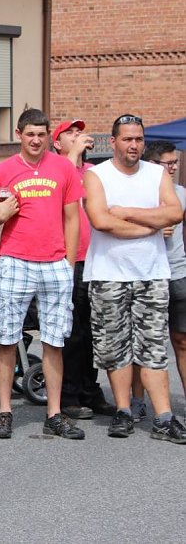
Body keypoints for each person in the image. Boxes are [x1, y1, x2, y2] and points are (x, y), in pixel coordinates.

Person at [0, 108, 84, 440]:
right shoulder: (3, 170)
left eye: (41, 134)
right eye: (30, 134)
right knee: (7, 339)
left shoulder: (63, 167)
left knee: (54, 341)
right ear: (19, 133)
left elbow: (72, 219)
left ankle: (54, 413)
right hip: (15, 261)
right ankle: (5, 411)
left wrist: (68, 263)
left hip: (55, 264)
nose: (36, 140)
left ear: (48, 135)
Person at [83, 116, 186, 442]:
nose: (134, 145)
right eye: (127, 139)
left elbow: (174, 213)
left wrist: (126, 213)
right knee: (116, 348)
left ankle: (164, 417)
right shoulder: (96, 175)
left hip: (152, 274)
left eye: (139, 139)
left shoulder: (156, 174)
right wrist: (150, 226)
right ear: (113, 142)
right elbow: (100, 220)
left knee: (153, 348)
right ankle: (123, 411)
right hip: (108, 275)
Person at [51, 119, 116, 419]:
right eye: (70, 134)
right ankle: (69, 395)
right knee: (71, 333)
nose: (78, 136)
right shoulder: (54, 170)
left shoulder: (92, 173)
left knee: (93, 332)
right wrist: (72, 155)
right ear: (57, 143)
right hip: (68, 260)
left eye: (80, 133)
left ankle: (91, 390)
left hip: (96, 260)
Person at [142, 140, 186, 420]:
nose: (171, 168)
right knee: (146, 343)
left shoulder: (181, 193)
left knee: (181, 340)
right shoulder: (139, 192)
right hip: (147, 274)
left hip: (178, 273)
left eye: (174, 163)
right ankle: (137, 403)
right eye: (164, 163)